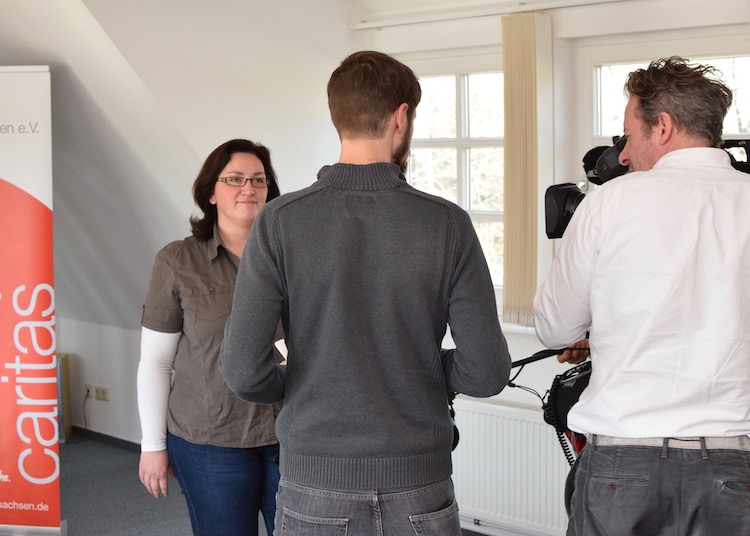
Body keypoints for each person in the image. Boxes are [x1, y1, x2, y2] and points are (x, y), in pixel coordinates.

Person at [220, 50, 512, 535]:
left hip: (315, 482)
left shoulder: (280, 221)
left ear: (338, 117)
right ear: (401, 117)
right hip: (419, 483)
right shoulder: (447, 224)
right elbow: (486, 373)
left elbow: (243, 371)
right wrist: (427, 369)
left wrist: (302, 380)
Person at [533, 56, 750, 535]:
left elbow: (554, 327)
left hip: (625, 462)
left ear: (663, 127)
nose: (625, 156)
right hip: (735, 466)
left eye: (629, 136)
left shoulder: (609, 202)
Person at [137, 139, 284, 536]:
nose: (248, 188)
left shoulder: (293, 255)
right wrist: (152, 445)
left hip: (289, 434)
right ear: (211, 192)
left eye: (258, 179)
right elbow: (156, 362)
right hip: (209, 440)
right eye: (235, 179)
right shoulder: (177, 261)